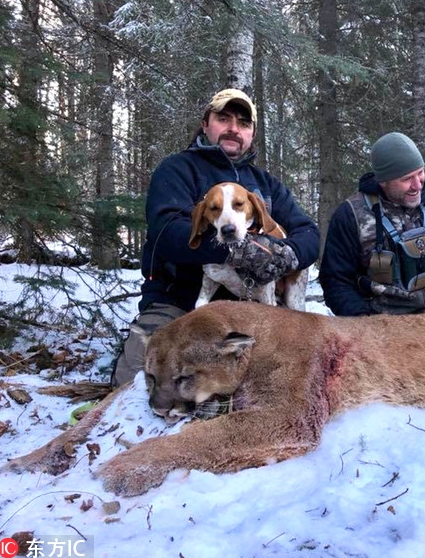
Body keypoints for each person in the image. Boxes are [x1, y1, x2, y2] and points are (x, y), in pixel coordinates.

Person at [111, 88, 320, 387]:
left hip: (255, 309)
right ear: (206, 124)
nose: (234, 128)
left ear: (252, 135)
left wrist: (284, 254)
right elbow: (166, 232)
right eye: (224, 118)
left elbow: (309, 233)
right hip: (180, 305)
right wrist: (238, 251)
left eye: (244, 123)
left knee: (291, 380)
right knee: (139, 383)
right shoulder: (177, 170)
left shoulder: (267, 185)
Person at [320, 132, 425, 316]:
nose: (417, 185)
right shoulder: (350, 215)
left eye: (420, 173)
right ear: (383, 181)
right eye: (406, 178)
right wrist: (364, 322)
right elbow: (335, 282)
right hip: (379, 320)